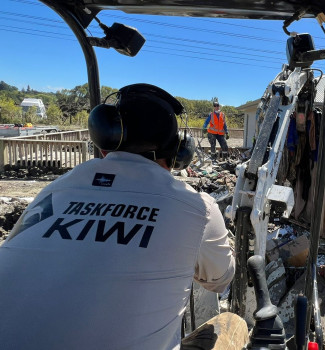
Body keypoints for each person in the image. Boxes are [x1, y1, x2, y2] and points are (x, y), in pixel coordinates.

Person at [0, 84, 241, 349]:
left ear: (104, 136)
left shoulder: (56, 189)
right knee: (232, 325)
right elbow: (221, 280)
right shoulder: (197, 207)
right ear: (179, 152)